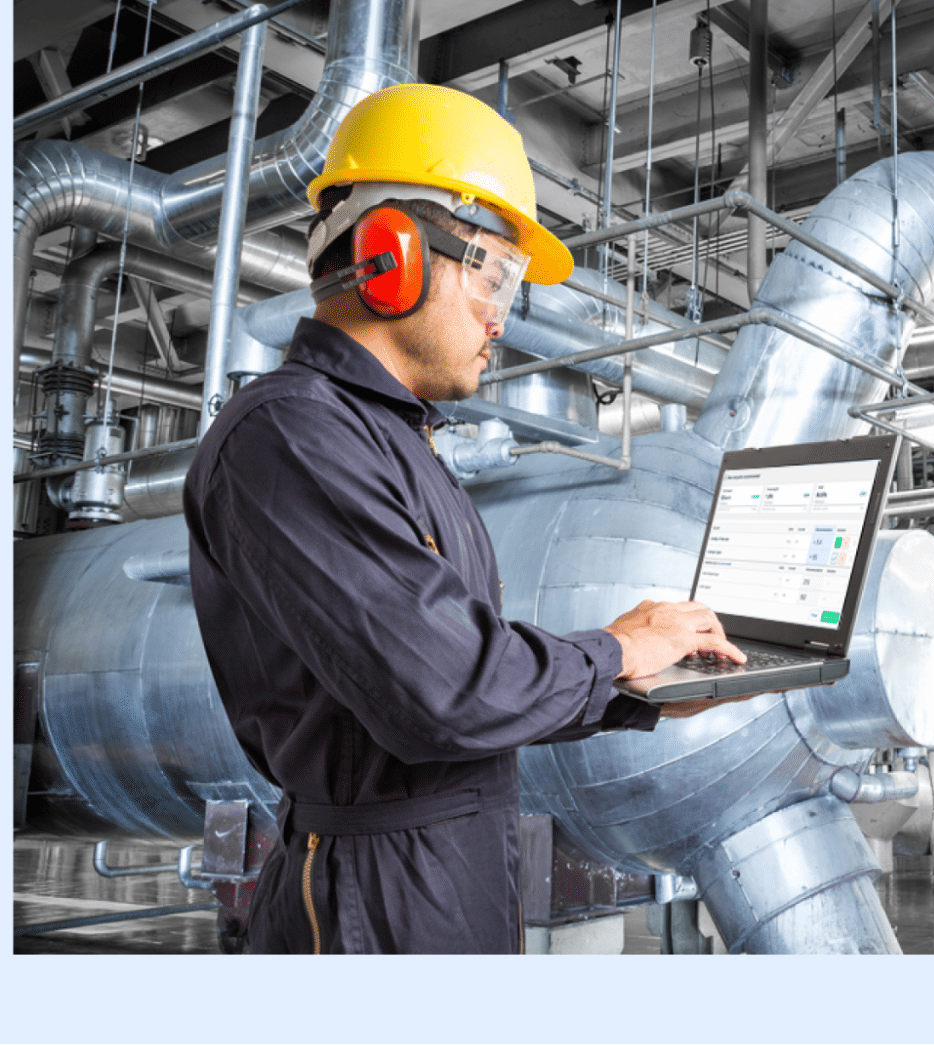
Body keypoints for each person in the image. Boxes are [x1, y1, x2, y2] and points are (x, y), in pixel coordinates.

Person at [183, 83, 745, 954]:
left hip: (438, 872)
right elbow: (443, 690)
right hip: (374, 902)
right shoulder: (291, 436)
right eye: (493, 272)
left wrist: (629, 692)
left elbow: (454, 668)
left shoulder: (389, 436)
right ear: (390, 254)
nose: (500, 315)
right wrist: (615, 653)